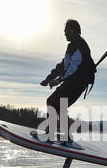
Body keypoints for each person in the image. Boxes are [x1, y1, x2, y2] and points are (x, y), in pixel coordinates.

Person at [40, 19, 96, 147]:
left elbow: (72, 68)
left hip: (77, 83)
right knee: (59, 106)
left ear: (73, 31)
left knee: (52, 102)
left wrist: (58, 80)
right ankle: (65, 137)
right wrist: (49, 78)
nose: (64, 34)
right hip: (73, 82)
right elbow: (63, 65)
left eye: (66, 31)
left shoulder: (79, 46)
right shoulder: (73, 45)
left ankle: (51, 135)